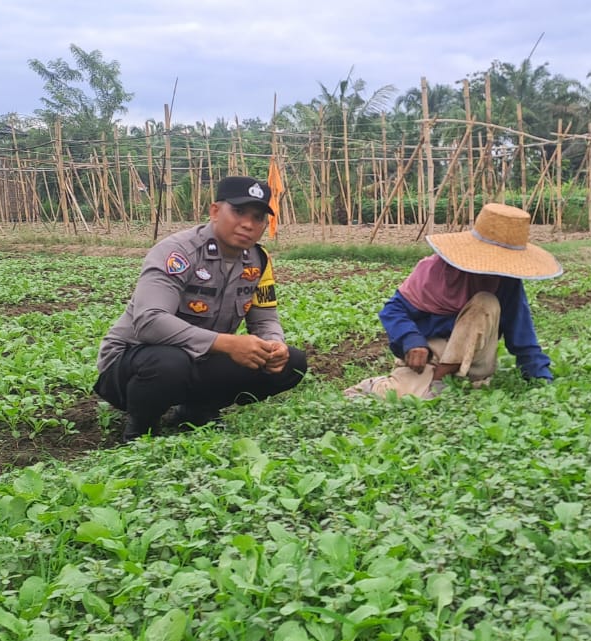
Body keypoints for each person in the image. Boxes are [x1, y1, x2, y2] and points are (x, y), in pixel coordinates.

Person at [95, 175, 307, 442]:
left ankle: (197, 409)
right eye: (239, 212)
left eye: (258, 217)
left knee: (293, 362)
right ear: (215, 211)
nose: (248, 224)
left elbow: (264, 318)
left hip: (199, 359)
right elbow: (149, 321)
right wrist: (227, 343)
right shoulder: (178, 252)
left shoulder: (258, 260)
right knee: (169, 362)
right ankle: (142, 427)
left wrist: (275, 346)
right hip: (131, 365)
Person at [346, 202, 562, 400]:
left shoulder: (508, 283)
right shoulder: (435, 271)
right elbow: (394, 310)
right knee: (403, 396)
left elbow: (523, 339)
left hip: (475, 361)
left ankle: (440, 380)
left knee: (486, 302)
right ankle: (389, 385)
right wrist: (412, 341)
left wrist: (542, 381)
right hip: (431, 354)